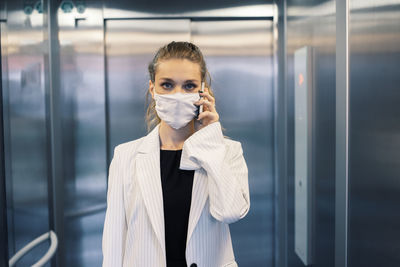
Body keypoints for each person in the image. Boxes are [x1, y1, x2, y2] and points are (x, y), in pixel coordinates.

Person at [102, 41, 250, 267]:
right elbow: (113, 243)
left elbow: (230, 212)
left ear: (203, 91)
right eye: (167, 85)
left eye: (189, 86)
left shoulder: (227, 151)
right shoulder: (125, 156)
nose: (178, 95)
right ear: (152, 89)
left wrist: (210, 139)